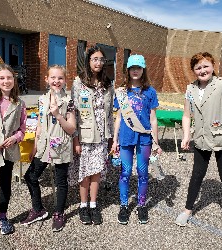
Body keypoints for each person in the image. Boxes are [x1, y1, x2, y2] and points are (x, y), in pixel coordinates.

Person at [175, 52, 222, 240]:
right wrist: (186, 135)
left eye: (205, 66)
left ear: (213, 65)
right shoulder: (190, 89)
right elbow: (186, 115)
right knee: (196, 176)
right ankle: (188, 209)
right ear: (193, 71)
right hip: (201, 140)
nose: (202, 70)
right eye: (198, 68)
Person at [21, 65, 76, 232]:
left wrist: (58, 114)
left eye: (60, 78)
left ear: (65, 80)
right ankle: (38, 209)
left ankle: (59, 213)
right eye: (53, 77)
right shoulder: (42, 99)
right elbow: (39, 125)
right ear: (47, 79)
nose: (56, 81)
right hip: (44, 146)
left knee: (61, 181)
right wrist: (34, 147)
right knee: (30, 176)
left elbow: (72, 128)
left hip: (61, 145)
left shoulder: (69, 102)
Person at [111, 54, 162, 225]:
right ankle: (124, 205)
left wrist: (156, 141)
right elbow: (118, 118)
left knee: (142, 173)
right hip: (125, 137)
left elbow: (153, 118)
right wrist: (115, 140)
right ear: (128, 70)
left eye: (138, 68)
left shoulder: (150, 91)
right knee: (125, 173)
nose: (135, 71)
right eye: (132, 68)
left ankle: (141, 205)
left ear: (143, 70)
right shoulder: (122, 92)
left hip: (144, 139)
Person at [68, 45, 114, 225]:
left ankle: (94, 205)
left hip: (102, 136)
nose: (98, 63)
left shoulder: (108, 84)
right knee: (84, 172)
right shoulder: (79, 82)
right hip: (85, 136)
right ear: (88, 61)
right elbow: (73, 113)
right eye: (95, 59)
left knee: (96, 172)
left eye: (101, 60)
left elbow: (109, 114)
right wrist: (75, 139)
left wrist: (111, 139)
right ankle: (83, 205)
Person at [0, 64, 26, 237]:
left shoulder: (19, 103)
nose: (6, 81)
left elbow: (23, 129)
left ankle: (3, 216)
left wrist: (16, 137)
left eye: (9, 77)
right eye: (2, 78)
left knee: (5, 185)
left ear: (14, 80)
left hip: (9, 149)